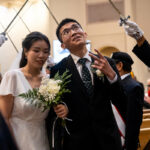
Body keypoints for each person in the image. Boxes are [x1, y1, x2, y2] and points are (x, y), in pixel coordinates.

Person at [47, 18, 127, 150]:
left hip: (108, 139)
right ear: (62, 45)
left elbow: (121, 101)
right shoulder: (57, 70)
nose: (73, 32)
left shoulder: (107, 63)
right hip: (78, 141)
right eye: (66, 32)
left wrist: (111, 76)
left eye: (76, 27)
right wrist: (63, 109)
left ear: (85, 33)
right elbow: (57, 106)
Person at [0, 31, 68, 150]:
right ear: (26, 52)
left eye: (46, 52)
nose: (41, 55)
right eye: (36, 50)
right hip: (17, 139)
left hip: (42, 139)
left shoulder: (49, 81)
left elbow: (53, 113)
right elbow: (4, 117)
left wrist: (63, 109)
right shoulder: (13, 77)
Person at [111, 52, 144, 150]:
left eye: (111, 65)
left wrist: (129, 146)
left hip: (125, 142)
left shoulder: (133, 87)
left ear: (119, 66)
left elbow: (133, 120)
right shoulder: (118, 84)